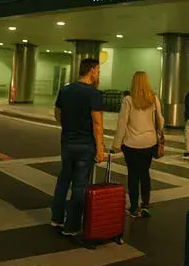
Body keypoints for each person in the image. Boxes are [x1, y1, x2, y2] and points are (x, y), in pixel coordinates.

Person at [51, 58, 106, 237]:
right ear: (91, 71)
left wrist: (68, 125)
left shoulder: (65, 90)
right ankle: (72, 225)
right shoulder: (93, 93)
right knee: (80, 186)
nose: (98, 74)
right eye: (97, 70)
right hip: (85, 144)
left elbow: (57, 113)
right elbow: (98, 124)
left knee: (63, 180)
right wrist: (100, 149)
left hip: (67, 142)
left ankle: (56, 218)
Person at [112, 71, 165, 218]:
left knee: (133, 175)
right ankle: (145, 204)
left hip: (131, 144)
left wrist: (116, 144)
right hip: (149, 142)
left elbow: (122, 123)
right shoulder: (154, 99)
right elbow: (160, 122)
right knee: (145, 173)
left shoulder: (128, 100)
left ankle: (134, 207)